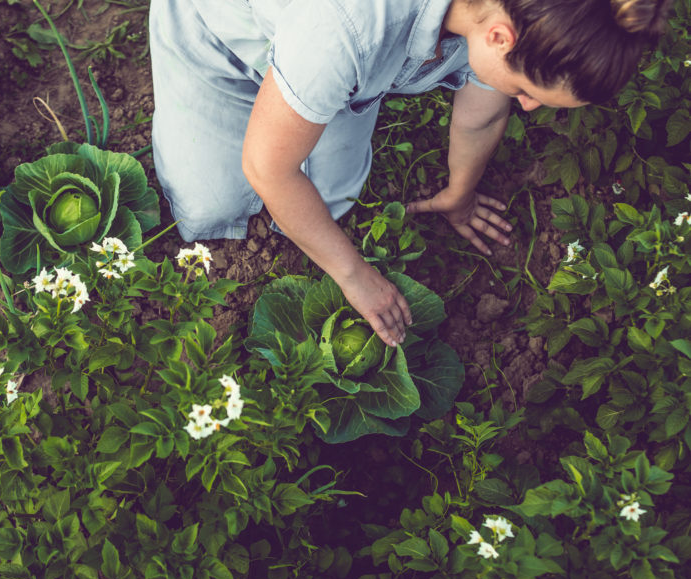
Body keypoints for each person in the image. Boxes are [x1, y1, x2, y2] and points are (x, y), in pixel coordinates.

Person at [148, 0, 673, 347]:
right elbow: (268, 167)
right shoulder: (347, 24)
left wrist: (460, 194)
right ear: (499, 37)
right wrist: (357, 277)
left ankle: (300, 108)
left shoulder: (513, 15)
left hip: (334, 72)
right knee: (210, 208)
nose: (529, 109)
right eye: (526, 92)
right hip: (223, 40)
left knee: (327, 203)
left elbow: (483, 108)